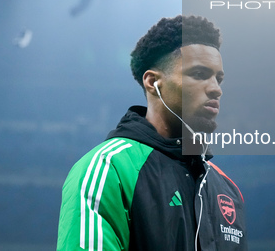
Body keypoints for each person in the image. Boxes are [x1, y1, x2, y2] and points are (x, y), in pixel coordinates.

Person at [57, 15, 247, 250]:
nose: (215, 89)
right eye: (199, 74)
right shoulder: (108, 168)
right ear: (153, 82)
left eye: (218, 79)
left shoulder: (226, 188)